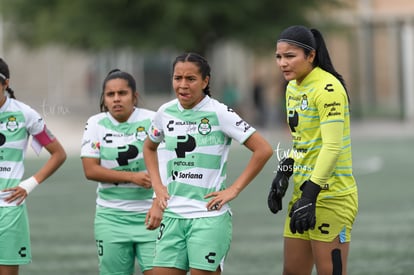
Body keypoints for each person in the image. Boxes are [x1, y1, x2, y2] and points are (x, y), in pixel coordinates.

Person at [143, 52, 273, 275]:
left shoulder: (219, 112)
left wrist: (234, 189)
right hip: (173, 216)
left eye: (191, 79)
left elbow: (263, 150)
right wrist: (157, 185)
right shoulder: (165, 112)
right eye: (178, 78)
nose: (183, 85)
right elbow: (149, 146)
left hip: (208, 218)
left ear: (205, 81)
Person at [269, 25, 358, 275]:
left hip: (331, 197)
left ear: (311, 55)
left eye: (290, 56)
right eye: (279, 57)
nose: (282, 63)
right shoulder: (292, 88)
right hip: (303, 195)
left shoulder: (328, 88)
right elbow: (302, 142)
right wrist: (284, 172)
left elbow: (332, 145)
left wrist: (311, 194)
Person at [80, 69, 163, 275]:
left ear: (134, 96)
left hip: (150, 216)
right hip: (111, 217)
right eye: (110, 94)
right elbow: (90, 170)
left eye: (122, 93)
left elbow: (167, 165)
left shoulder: (154, 120)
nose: (116, 99)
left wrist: (157, 204)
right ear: (104, 98)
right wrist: (132, 177)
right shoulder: (95, 123)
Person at [0, 57, 67, 275]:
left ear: (6, 83)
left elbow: (58, 154)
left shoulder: (25, 114)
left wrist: (29, 185)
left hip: (8, 209)